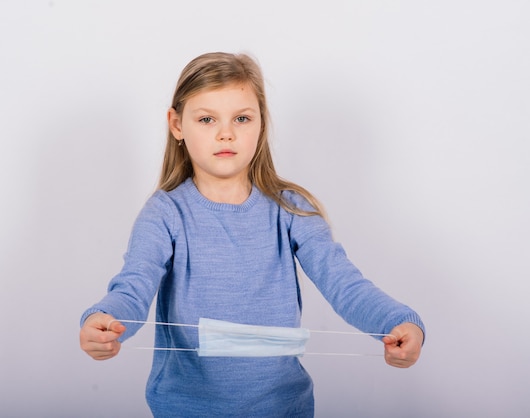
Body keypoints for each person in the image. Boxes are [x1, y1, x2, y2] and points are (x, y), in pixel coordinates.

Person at [79, 51, 425, 417]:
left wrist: (396, 322)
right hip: (186, 410)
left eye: (241, 118)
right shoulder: (165, 214)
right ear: (177, 125)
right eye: (207, 119)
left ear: (261, 123)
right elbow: (134, 286)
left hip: (283, 408)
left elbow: (343, 282)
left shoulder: (290, 210)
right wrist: (106, 318)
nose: (226, 132)